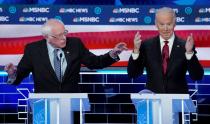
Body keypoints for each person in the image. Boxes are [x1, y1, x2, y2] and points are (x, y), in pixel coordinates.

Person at [4, 18, 128, 93]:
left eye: (65, 33)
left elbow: (95, 62)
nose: (64, 38)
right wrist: (12, 74)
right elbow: (19, 76)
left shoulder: (75, 44)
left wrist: (113, 54)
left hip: (71, 103)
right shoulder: (33, 50)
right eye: (59, 35)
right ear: (47, 37)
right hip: (43, 103)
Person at [127, 7, 204, 93]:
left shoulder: (185, 46)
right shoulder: (146, 45)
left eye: (169, 24)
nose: (165, 28)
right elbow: (133, 74)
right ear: (156, 24)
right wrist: (136, 51)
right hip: (154, 101)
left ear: (174, 23)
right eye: (162, 24)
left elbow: (197, 76)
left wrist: (189, 53)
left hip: (177, 101)